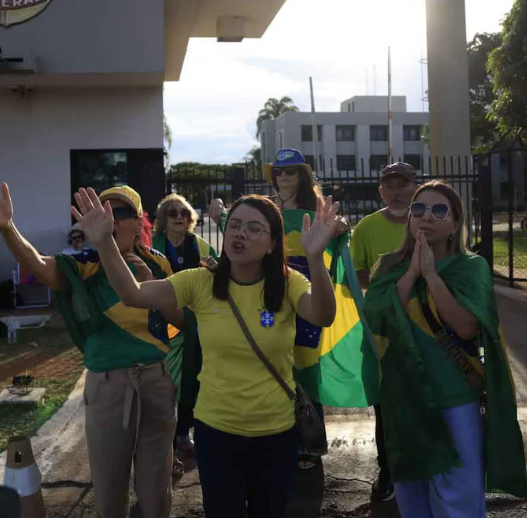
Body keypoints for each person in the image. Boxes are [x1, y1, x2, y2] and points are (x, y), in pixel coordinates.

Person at [76, 188, 340, 518]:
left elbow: (322, 314)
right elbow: (132, 294)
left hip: (276, 433)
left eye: (254, 228)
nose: (240, 233)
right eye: (235, 225)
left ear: (273, 244)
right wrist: (104, 242)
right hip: (217, 433)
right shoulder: (201, 281)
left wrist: (315, 258)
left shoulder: (288, 283)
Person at [0, 182, 176, 518]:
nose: (110, 219)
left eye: (120, 212)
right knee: (109, 489)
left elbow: (179, 318)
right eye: (101, 211)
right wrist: (8, 228)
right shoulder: (84, 265)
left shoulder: (159, 264)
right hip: (109, 385)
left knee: (157, 489)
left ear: (139, 222)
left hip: (157, 381)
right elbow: (40, 265)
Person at [364, 181, 527, 517]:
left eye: (439, 210)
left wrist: (431, 276)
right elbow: (377, 318)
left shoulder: (471, 268)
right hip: (404, 400)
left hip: (456, 400)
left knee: (457, 501)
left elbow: (467, 327)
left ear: (455, 224)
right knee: (412, 496)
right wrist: (412, 272)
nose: (426, 216)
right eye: (419, 209)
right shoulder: (390, 266)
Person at [210, 148, 351, 471]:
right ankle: (277, 439)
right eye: (279, 172)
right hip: (270, 293)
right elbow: (242, 237)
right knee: (273, 361)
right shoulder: (267, 210)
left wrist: (341, 224)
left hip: (306, 295)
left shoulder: (316, 209)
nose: (284, 177)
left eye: (291, 171)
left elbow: (337, 231)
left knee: (305, 367)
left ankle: (309, 440)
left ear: (303, 175)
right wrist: (220, 217)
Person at [349, 161, 418, 503]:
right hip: (381, 333)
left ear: (415, 188)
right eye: (389, 186)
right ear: (380, 191)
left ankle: (425, 467)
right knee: (385, 406)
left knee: (424, 401)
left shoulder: (426, 222)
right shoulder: (366, 227)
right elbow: (354, 272)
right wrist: (387, 282)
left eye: (403, 185)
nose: (396, 192)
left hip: (425, 330)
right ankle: (388, 470)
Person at [152, 194, 218, 475]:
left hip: (194, 325)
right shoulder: (152, 246)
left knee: (193, 378)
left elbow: (219, 273)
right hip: (161, 324)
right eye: (173, 213)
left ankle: (183, 433)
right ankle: (166, 441)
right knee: (166, 384)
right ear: (163, 218)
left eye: (184, 213)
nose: (179, 217)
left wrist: (215, 268)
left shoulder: (199, 245)